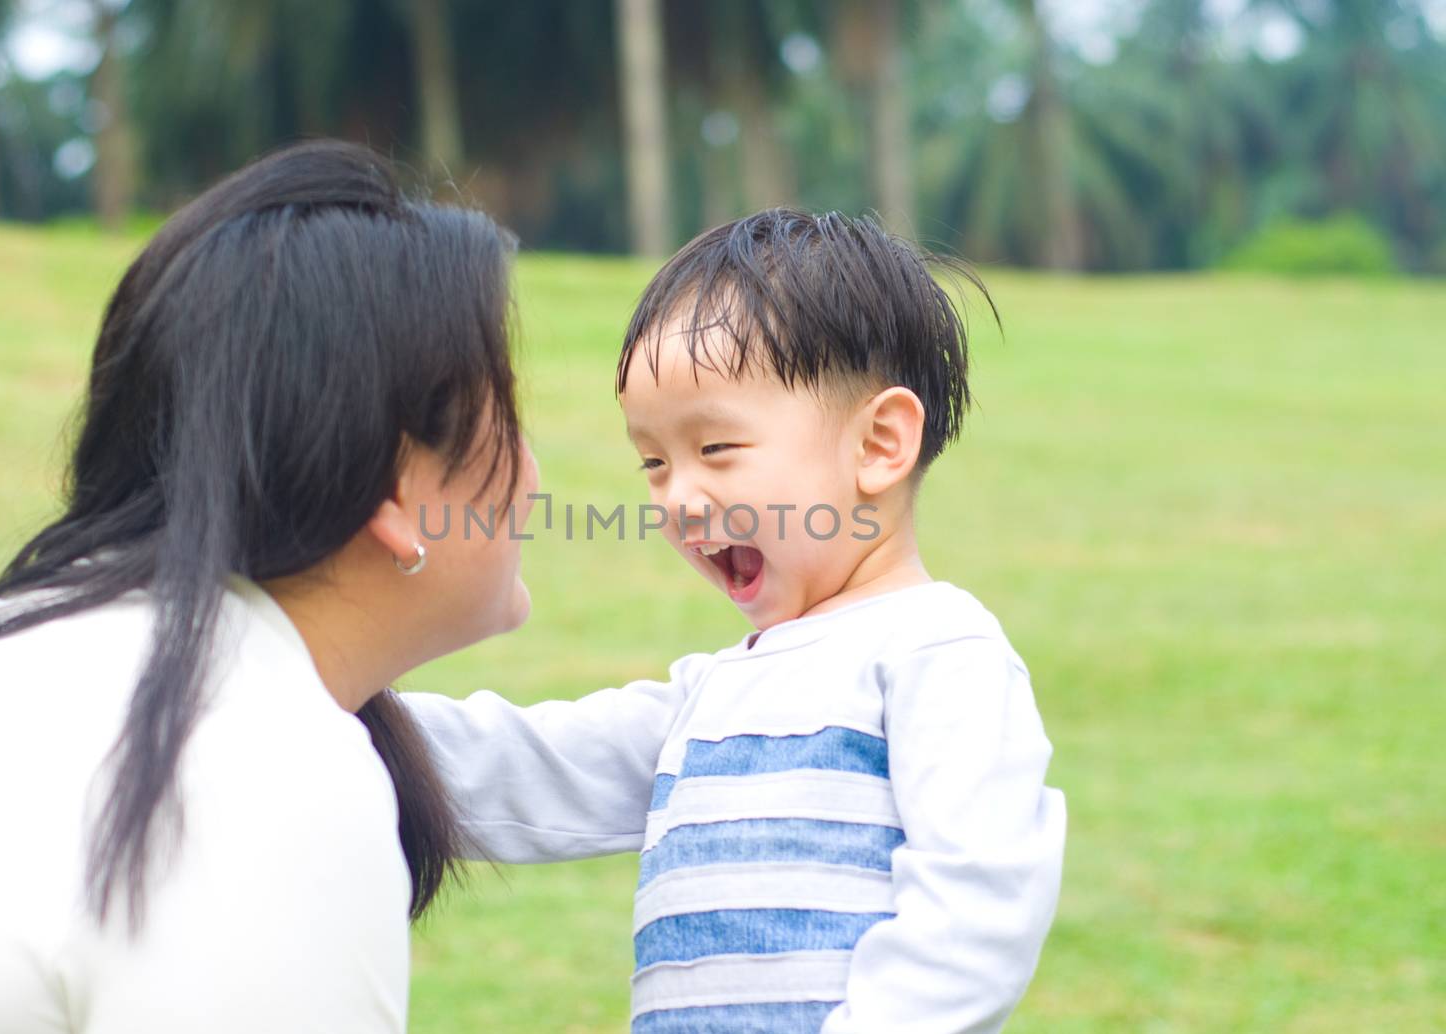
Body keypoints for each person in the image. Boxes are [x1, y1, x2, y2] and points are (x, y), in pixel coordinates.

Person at [0, 139, 536, 1033]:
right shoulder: (267, 771)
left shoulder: (20, 669)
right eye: (509, 416)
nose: (531, 472)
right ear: (396, 495)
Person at [407, 210, 1067, 1033]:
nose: (678, 497)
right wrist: (324, 702)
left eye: (716, 449)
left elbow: (979, 906)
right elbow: (529, 768)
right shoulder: (713, 695)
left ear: (880, 444)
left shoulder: (936, 652)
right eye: (653, 462)